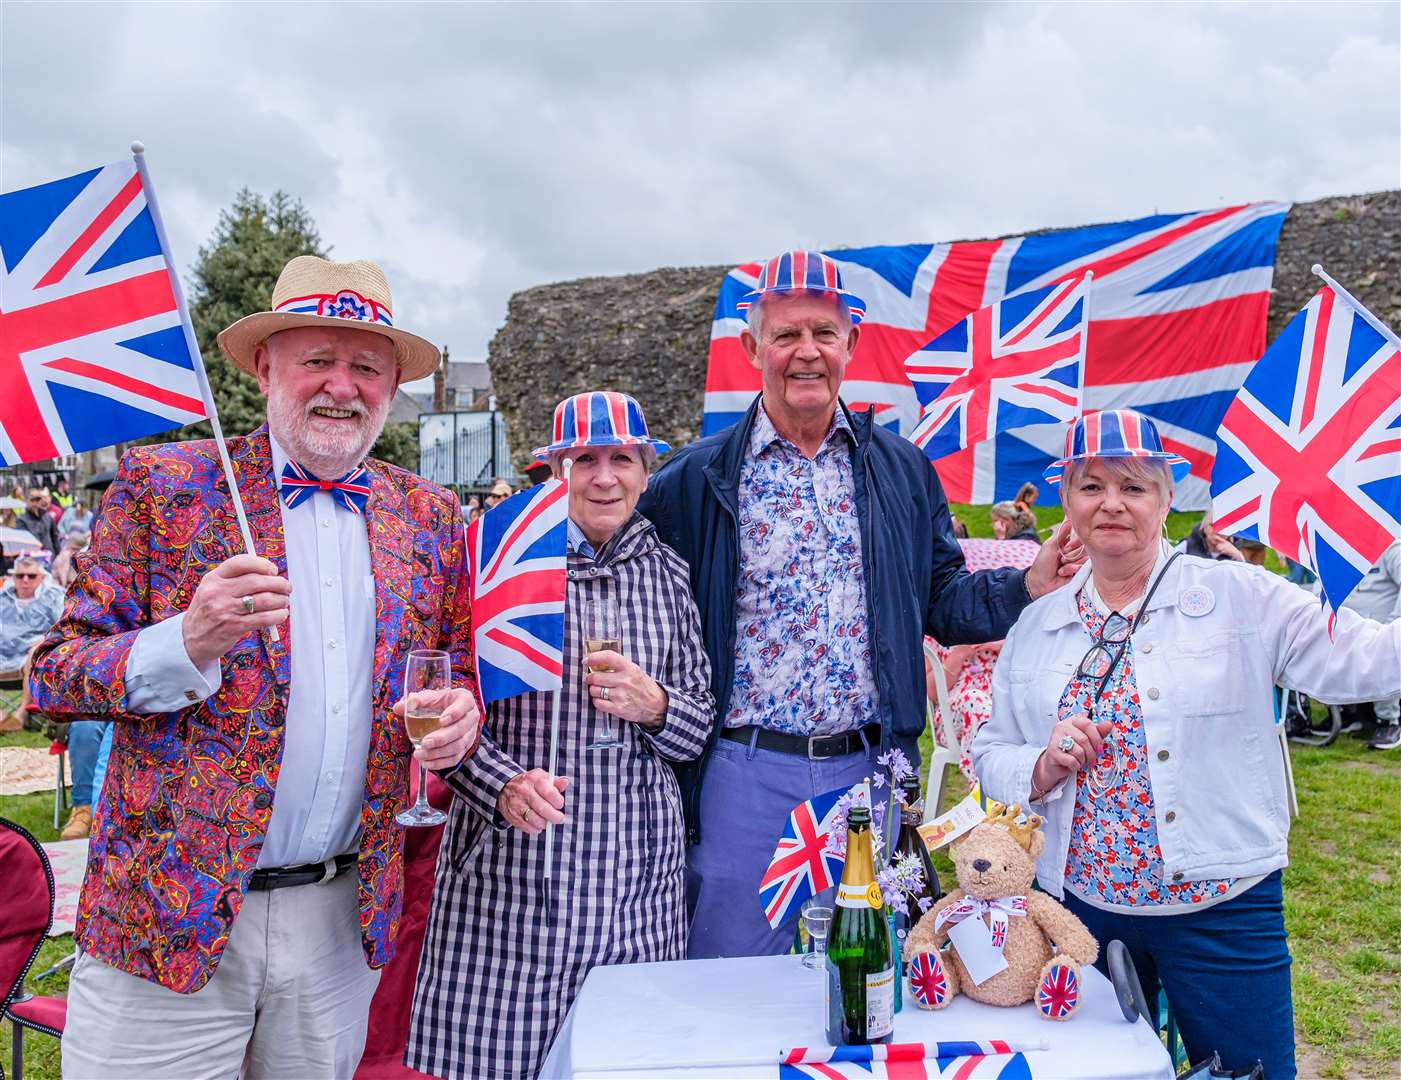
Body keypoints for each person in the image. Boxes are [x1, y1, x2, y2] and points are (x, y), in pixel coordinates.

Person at [31, 255, 482, 1080]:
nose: (340, 386)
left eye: (365, 368)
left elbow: (452, 672)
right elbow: (53, 675)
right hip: (166, 917)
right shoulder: (164, 487)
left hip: (340, 922)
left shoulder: (427, 514)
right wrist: (185, 643)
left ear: (390, 386)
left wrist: (460, 717)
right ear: (264, 366)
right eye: (317, 359)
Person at [637, 250, 1081, 959]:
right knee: (724, 977)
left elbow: (942, 597)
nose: (805, 352)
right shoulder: (691, 479)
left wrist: (1027, 583)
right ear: (752, 348)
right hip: (741, 773)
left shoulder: (900, 467)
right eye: (785, 335)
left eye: (822, 332)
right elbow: (645, 611)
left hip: (870, 772)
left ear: (851, 344)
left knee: (880, 978)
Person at [971, 409, 1401, 1080]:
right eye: (1090, 486)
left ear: (1167, 499)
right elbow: (989, 749)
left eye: (1133, 486)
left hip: (1221, 908)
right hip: (1082, 912)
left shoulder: (1242, 595)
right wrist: (1040, 763)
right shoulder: (1039, 624)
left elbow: (1364, 661)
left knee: (1248, 1074)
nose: (1110, 502)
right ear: (1068, 501)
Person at [410, 391, 714, 1080]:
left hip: (637, 876)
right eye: (584, 460)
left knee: (628, 1061)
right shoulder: (492, 559)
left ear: (645, 468)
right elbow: (436, 704)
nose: (603, 477)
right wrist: (499, 783)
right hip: (518, 871)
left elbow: (698, 726)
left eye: (620, 459)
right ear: (553, 470)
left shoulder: (668, 574)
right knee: (504, 1064)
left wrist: (656, 704)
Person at [1340, 538, 1401, 750]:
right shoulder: (1344, 548)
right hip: (1349, 628)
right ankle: (1348, 715)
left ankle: (1390, 722)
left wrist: (1393, 623)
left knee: (1385, 656)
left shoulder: (1391, 547)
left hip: (1384, 628)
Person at [0, 557, 64, 733]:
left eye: (31, 576)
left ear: (41, 577)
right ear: (13, 577)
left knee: (37, 650)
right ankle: (3, 718)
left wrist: (45, 640)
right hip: (3, 654)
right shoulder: (2, 599)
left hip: (32, 658)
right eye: (20, 576)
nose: (25, 580)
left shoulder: (54, 597)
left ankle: (21, 715)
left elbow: (63, 627)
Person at [16, 488, 60, 556]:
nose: (35, 503)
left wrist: (59, 555)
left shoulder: (48, 517)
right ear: (26, 501)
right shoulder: (21, 521)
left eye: (38, 500)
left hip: (50, 557)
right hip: (33, 559)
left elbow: (55, 538)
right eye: (32, 500)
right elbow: (21, 544)